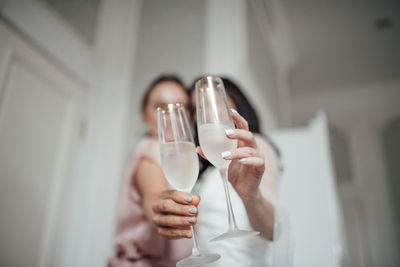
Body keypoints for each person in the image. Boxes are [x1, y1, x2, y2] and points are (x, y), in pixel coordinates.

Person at [151, 76, 285, 266]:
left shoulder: (254, 147)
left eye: (210, 102)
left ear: (235, 103)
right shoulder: (204, 166)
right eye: (196, 108)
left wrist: (251, 196)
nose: (202, 115)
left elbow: (272, 230)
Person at [108, 75, 194, 267]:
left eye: (179, 107)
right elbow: (153, 193)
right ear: (144, 112)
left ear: (188, 115)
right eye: (160, 107)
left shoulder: (181, 158)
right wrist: (161, 211)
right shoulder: (150, 150)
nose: (170, 116)